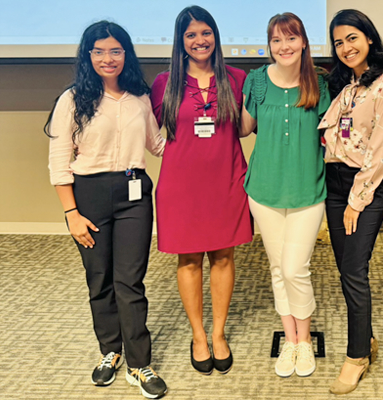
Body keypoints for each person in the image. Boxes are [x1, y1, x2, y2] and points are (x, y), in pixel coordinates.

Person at [45, 21, 167, 399]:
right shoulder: (72, 99)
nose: (107, 58)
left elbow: (158, 144)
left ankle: (139, 363)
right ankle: (110, 352)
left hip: (134, 194)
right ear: (88, 55)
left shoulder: (139, 97)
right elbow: (59, 161)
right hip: (89, 195)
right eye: (98, 51)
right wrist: (71, 213)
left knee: (129, 281)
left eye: (115, 50)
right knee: (99, 280)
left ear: (126, 53)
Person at [150, 6, 252, 376]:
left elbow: (250, 126)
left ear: (216, 35)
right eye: (190, 35)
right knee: (189, 260)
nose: (199, 40)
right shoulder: (165, 83)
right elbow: (142, 127)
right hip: (181, 185)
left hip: (225, 179)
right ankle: (198, 335)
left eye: (205, 32)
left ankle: (219, 333)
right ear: (180, 42)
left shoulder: (238, 78)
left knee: (223, 257)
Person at [240, 12, 330, 378]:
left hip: (309, 190)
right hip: (263, 190)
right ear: (269, 45)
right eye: (276, 40)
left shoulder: (319, 84)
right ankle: (290, 339)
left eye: (291, 38)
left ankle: (305, 340)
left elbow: (332, 134)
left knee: (296, 268)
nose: (284, 46)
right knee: (278, 268)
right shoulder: (257, 81)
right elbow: (246, 128)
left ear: (304, 42)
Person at [318, 9, 383, 395]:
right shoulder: (345, 85)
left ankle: (356, 358)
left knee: (354, 270)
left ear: (369, 37)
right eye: (338, 42)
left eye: (352, 37)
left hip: (363, 188)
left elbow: (381, 149)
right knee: (345, 268)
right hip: (335, 186)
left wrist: (356, 200)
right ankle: (365, 339)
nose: (346, 47)